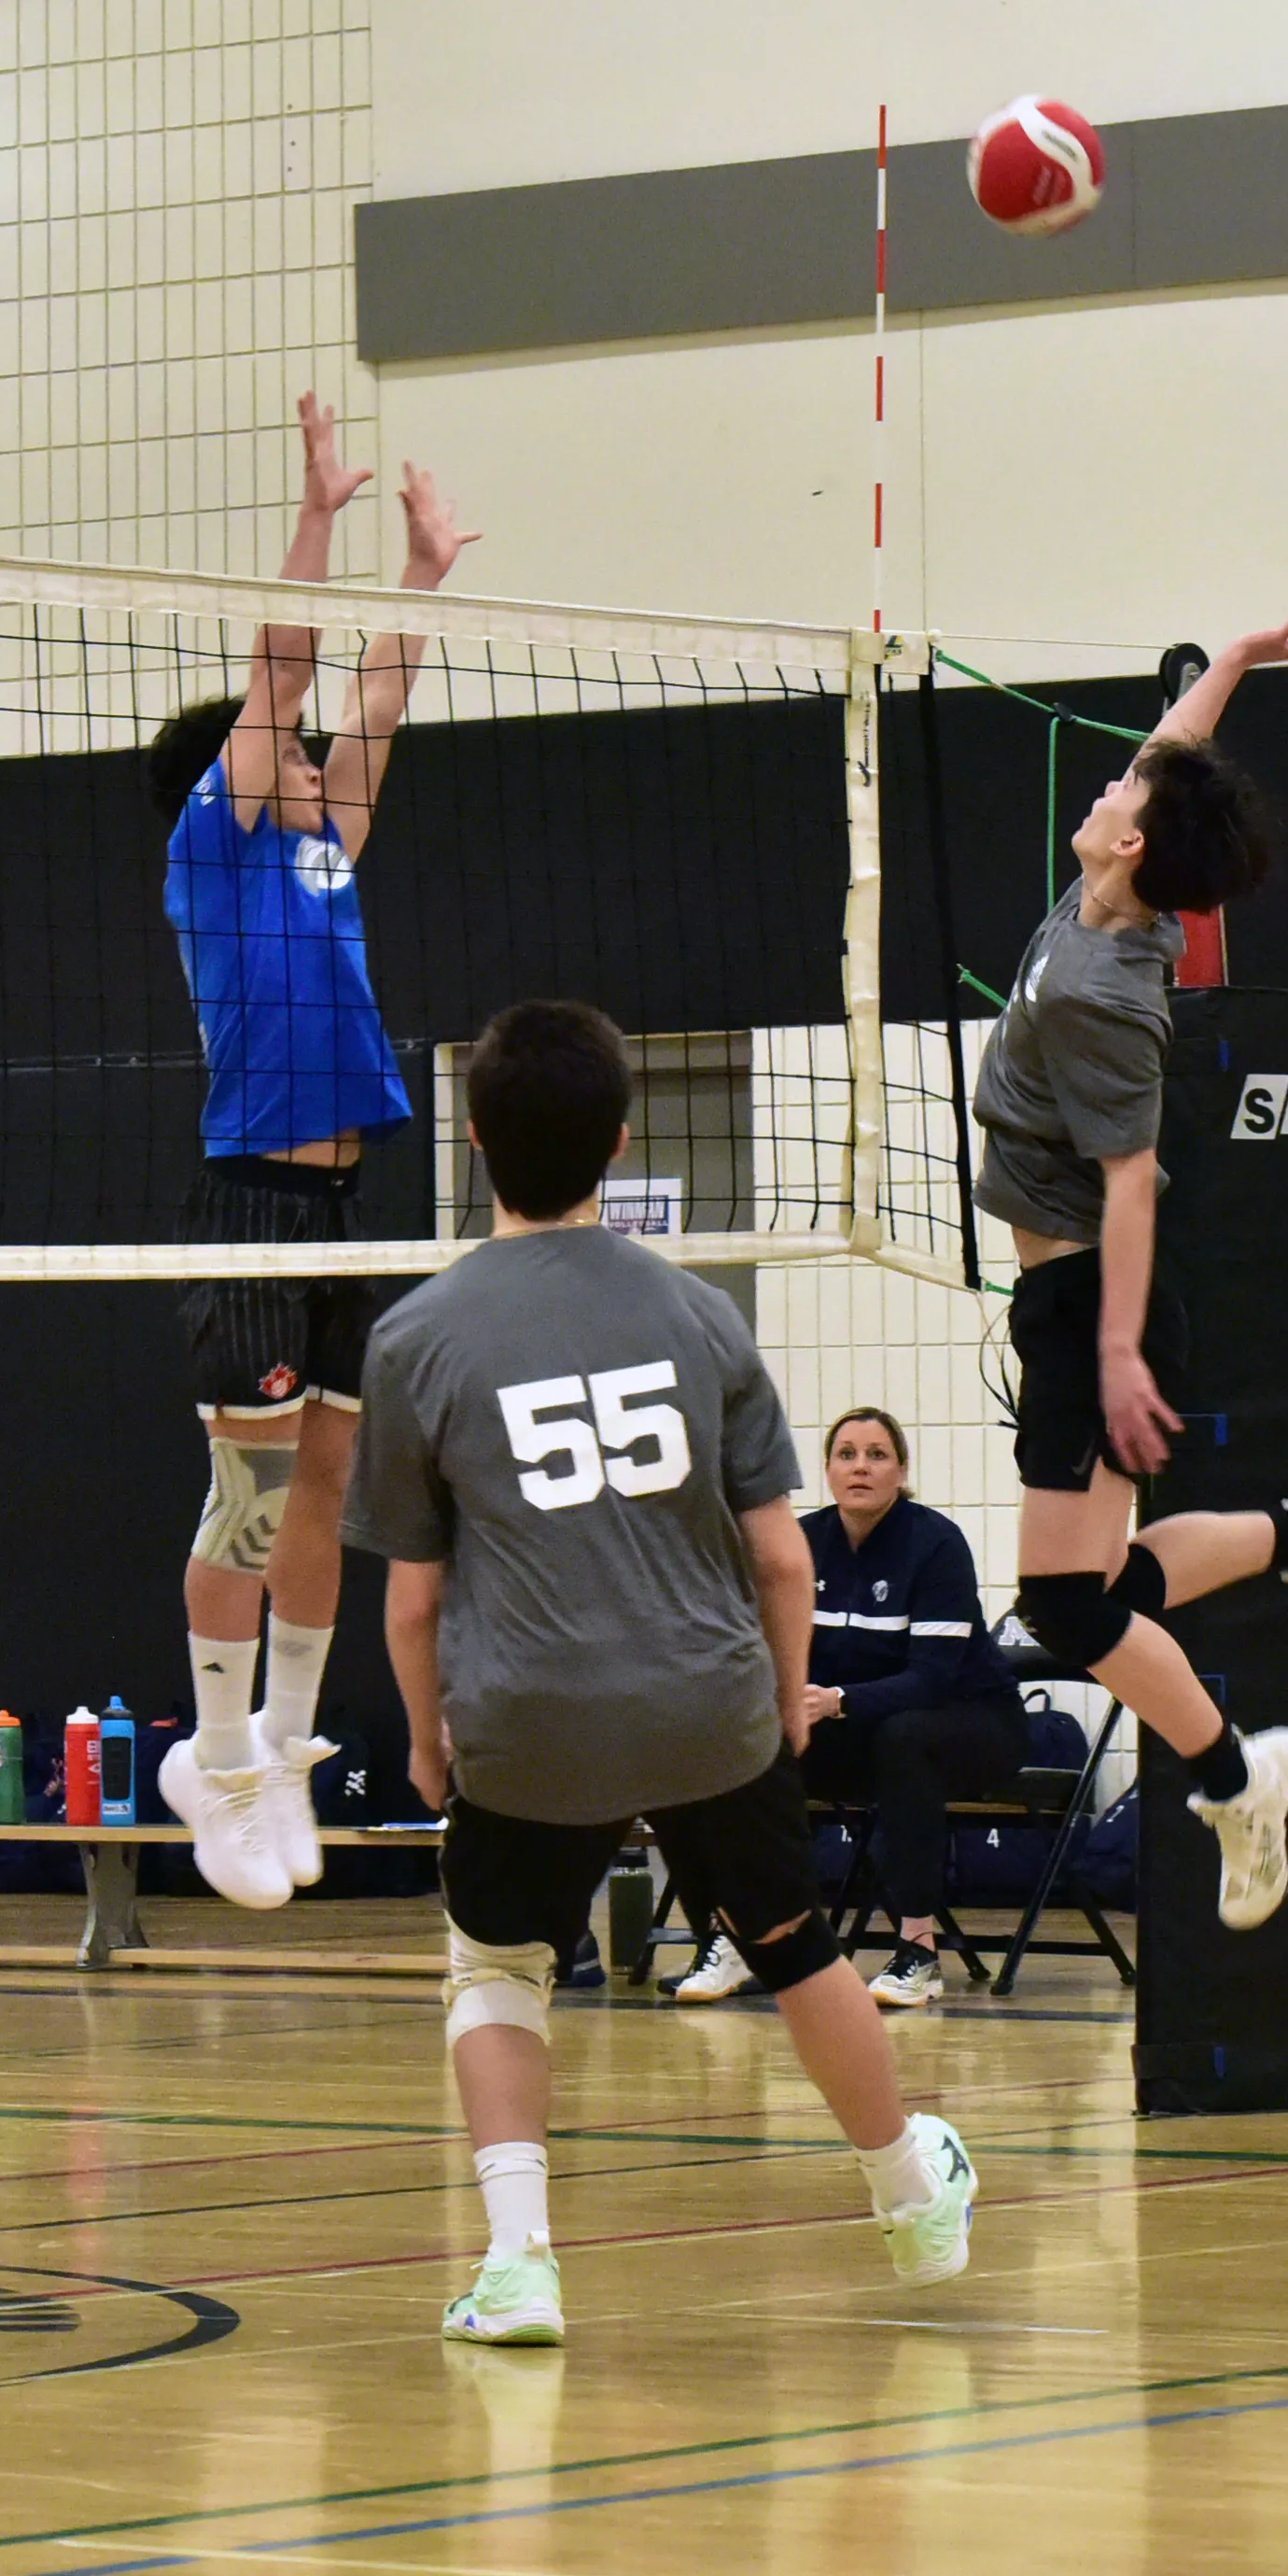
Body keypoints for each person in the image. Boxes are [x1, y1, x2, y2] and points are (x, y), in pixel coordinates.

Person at [355, 998, 978, 2349]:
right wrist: (783, 1701)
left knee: (498, 1969)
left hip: (523, 1716)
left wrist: (426, 1739)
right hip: (709, 1708)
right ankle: (910, 2195)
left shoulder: (414, 1340)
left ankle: (521, 2265)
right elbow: (782, 1565)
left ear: (470, 1142)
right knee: (799, 1947)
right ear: (619, 1142)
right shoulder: (699, 1316)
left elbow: (413, 1601)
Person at [968, 616, 1288, 1930]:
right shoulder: (1101, 896)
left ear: (1134, 843)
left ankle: (1238, 1775)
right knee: (1096, 1594)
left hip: (1099, 1295)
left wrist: (1111, 1352)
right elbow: (1170, 749)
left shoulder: (1106, 986)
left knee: (1064, 1608)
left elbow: (1135, 1180)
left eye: (1120, 794)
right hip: (1078, 1297)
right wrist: (1241, 663)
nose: (1106, 786)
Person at [144, 390, 475, 1915]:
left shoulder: (323, 839)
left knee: (330, 1491)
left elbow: (379, 709)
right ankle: (212, 1755)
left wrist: (416, 583)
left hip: (350, 1200)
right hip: (258, 1202)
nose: (313, 746)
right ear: (232, 769)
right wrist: (321, 517)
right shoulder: (212, 840)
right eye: (283, 743)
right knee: (253, 1500)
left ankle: (284, 1745)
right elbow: (281, 671)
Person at [674, 1405, 1026, 2011]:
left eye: (876, 1455)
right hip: (856, 1726)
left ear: (901, 1472)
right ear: (829, 1471)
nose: (860, 1467)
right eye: (846, 1454)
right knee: (721, 1752)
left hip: (972, 1725)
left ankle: (918, 1949)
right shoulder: (803, 1545)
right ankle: (733, 1932)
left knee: (905, 1737)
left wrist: (838, 1701)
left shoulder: (934, 1543)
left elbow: (933, 1679)